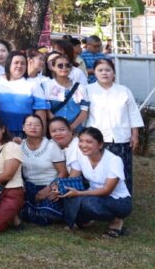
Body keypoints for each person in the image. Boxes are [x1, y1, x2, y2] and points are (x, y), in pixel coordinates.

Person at [60, 127, 132, 238]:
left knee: (87, 203)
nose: (83, 145)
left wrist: (79, 194)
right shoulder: (80, 155)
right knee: (68, 196)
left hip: (118, 201)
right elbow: (72, 180)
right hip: (93, 196)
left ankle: (116, 220)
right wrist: (59, 188)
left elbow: (106, 191)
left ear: (100, 145)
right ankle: (84, 220)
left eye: (89, 142)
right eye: (81, 141)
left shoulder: (114, 160)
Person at [84, 59, 142, 193]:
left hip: (121, 138)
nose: (104, 73)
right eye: (100, 70)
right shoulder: (88, 90)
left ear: (114, 74)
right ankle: (99, 199)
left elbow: (133, 113)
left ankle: (124, 200)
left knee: (122, 170)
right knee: (99, 170)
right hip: (97, 140)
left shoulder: (124, 90)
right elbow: (83, 114)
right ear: (95, 73)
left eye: (108, 70)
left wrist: (135, 135)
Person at [19, 114, 68, 226]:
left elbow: (63, 172)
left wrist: (48, 189)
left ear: (42, 128)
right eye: (29, 124)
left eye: (37, 125)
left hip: (51, 186)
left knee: (45, 214)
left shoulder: (51, 146)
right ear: (23, 127)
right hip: (29, 187)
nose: (33, 127)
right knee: (18, 209)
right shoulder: (19, 146)